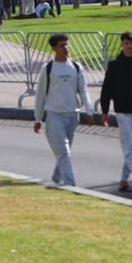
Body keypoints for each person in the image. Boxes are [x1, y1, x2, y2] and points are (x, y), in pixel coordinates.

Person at [32, 33, 94, 187]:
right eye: (61, 46)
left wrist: (89, 111)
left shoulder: (76, 67)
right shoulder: (48, 69)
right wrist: (38, 118)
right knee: (63, 152)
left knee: (64, 151)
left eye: (67, 44)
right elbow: (40, 95)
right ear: (54, 48)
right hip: (54, 116)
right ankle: (70, 184)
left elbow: (83, 90)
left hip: (73, 115)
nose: (65, 48)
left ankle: (56, 179)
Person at [100, 31, 132, 196]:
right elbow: (107, 89)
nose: (130, 46)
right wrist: (105, 110)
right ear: (122, 45)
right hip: (123, 111)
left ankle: (123, 180)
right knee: (129, 146)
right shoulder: (115, 65)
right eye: (126, 43)